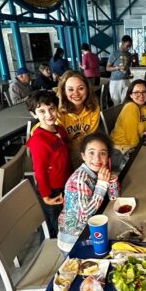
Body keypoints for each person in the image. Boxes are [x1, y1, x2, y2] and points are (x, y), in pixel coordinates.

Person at [57, 132, 118, 253]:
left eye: (103, 153)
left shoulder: (98, 171)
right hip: (75, 242)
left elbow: (114, 198)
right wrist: (102, 184)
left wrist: (112, 182)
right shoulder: (79, 179)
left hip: (91, 231)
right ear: (83, 156)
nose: (97, 158)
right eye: (91, 152)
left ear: (108, 158)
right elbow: (84, 216)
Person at [26, 91, 72, 238]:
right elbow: (39, 171)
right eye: (42, 111)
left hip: (65, 182)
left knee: (68, 219)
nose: (48, 114)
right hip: (52, 189)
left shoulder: (60, 130)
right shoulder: (38, 140)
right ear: (34, 114)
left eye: (51, 108)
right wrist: (46, 196)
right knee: (58, 225)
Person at [57, 70, 100, 167]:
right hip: (66, 154)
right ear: (64, 92)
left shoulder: (94, 107)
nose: (76, 93)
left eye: (80, 88)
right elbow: (61, 142)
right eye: (70, 89)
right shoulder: (57, 112)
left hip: (86, 150)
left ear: (87, 89)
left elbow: (90, 138)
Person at [110, 79, 146, 155]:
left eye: (144, 92)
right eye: (136, 92)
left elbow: (144, 130)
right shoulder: (131, 107)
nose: (141, 95)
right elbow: (132, 140)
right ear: (130, 95)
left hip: (137, 143)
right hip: (122, 149)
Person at [106, 35, 133, 105]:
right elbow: (107, 68)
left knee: (126, 102)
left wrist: (129, 74)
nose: (129, 48)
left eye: (130, 46)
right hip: (115, 81)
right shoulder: (114, 53)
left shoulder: (129, 55)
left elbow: (127, 68)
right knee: (116, 103)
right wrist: (117, 68)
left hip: (126, 81)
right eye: (127, 46)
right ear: (122, 43)